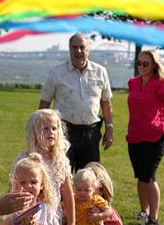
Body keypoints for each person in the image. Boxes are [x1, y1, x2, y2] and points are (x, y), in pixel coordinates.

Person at [126, 49, 164, 225]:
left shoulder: (162, 83)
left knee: (149, 176)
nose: (141, 66)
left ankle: (154, 219)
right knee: (140, 176)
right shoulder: (133, 83)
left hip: (155, 137)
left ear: (154, 65)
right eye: (139, 63)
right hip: (134, 135)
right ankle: (144, 212)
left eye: (145, 63)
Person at [39, 34, 114, 171]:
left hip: (91, 134)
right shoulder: (56, 73)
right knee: (60, 175)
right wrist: (40, 131)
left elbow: (106, 103)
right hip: (63, 133)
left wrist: (109, 129)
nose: (78, 51)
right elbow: (44, 104)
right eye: (74, 47)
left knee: (89, 176)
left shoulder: (101, 72)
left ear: (88, 50)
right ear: (69, 49)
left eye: (82, 47)